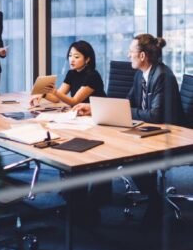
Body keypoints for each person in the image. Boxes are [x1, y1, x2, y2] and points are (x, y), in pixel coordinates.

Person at [74, 33, 184, 227]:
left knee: (131, 158)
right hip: (148, 130)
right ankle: (90, 207)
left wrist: (126, 113)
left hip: (170, 135)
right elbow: (128, 102)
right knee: (105, 152)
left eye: (131, 52)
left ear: (142, 56)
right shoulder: (140, 75)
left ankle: (155, 201)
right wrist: (93, 108)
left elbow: (156, 115)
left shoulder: (162, 76)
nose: (128, 55)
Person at [30, 40, 106, 107]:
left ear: (87, 59)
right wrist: (43, 94)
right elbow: (56, 98)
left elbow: (74, 102)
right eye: (70, 56)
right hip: (81, 112)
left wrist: (54, 91)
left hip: (99, 112)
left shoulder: (92, 76)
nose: (71, 60)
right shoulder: (71, 73)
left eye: (76, 57)